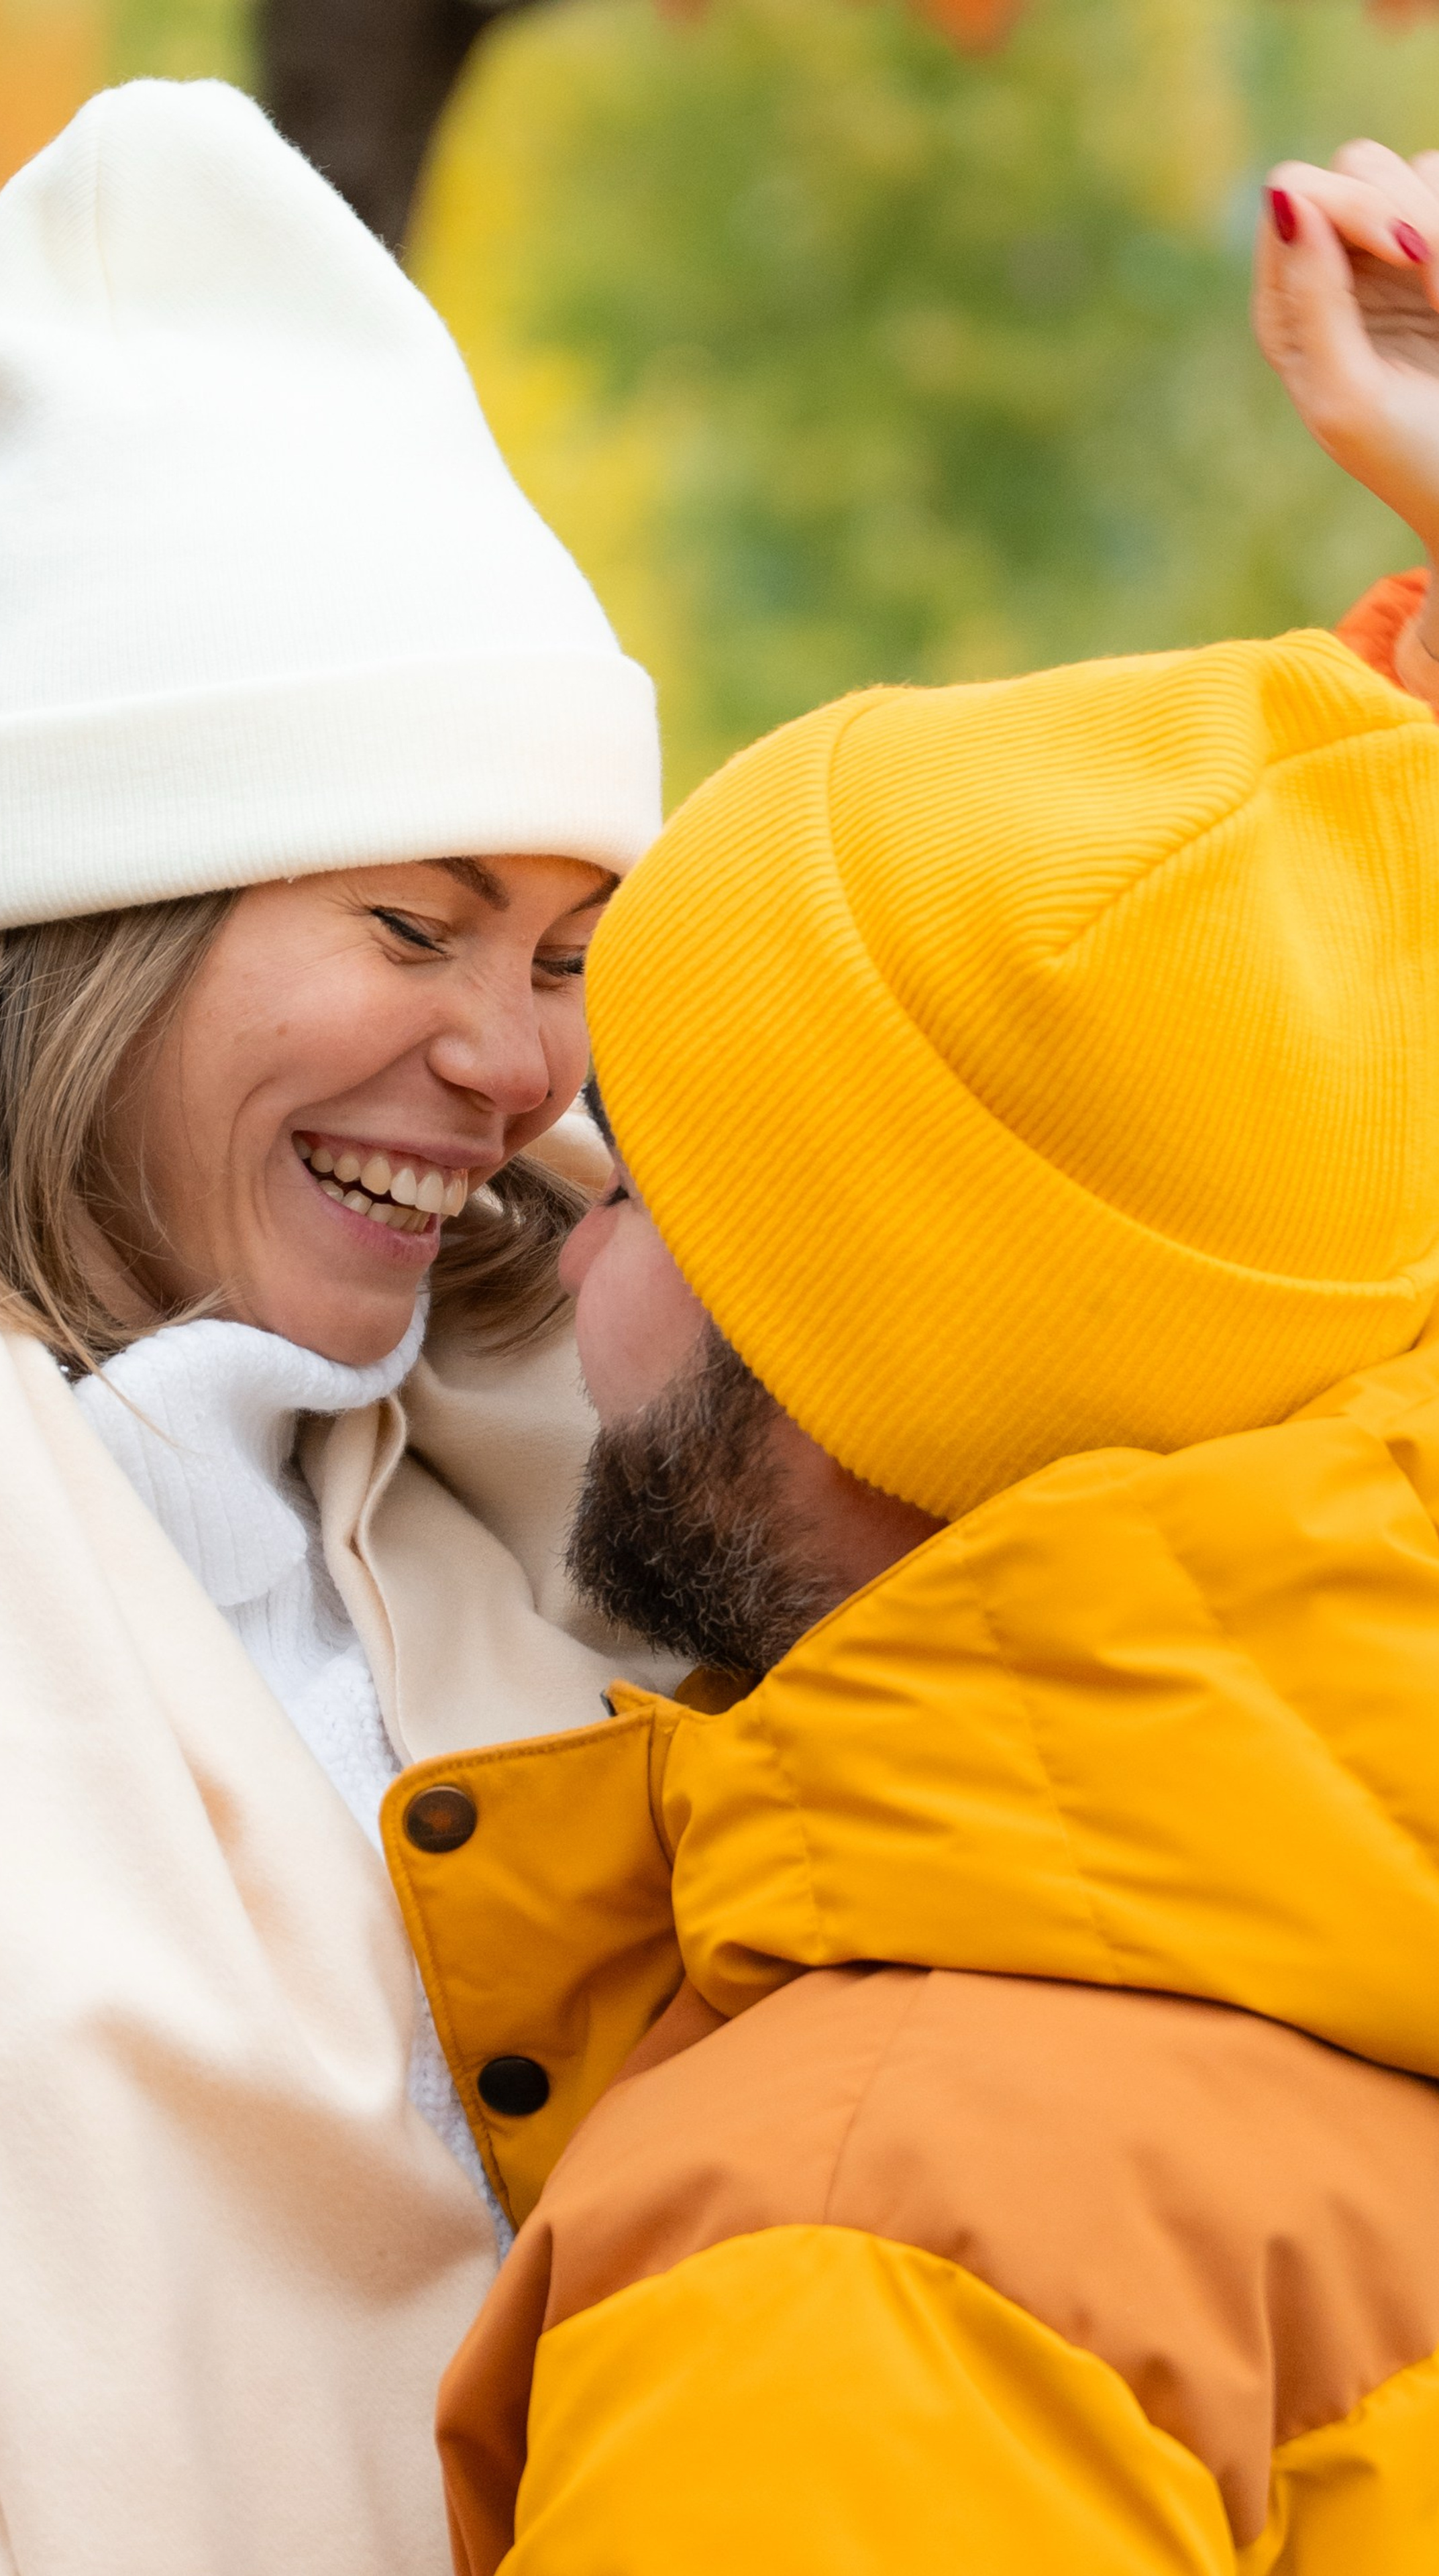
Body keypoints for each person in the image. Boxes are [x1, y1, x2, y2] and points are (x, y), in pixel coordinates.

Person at [370, 150, 1439, 2573]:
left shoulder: (866, 2260)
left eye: (643, 1178)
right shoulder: (1340, 1957)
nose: (552, 1205)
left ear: (880, 1358)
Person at [0, 77, 680, 2576]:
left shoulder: (567, 1461)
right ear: (114, 913)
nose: (513, 1058)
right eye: (412, 923)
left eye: (567, 956)